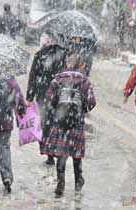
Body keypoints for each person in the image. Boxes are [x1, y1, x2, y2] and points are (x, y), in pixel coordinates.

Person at [41, 55, 96, 196]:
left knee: (62, 153)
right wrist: (82, 108)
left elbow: (48, 98)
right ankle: (78, 179)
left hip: (61, 123)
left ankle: (61, 182)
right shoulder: (85, 81)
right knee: (76, 154)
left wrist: (57, 108)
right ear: (80, 65)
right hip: (76, 122)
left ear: (66, 63)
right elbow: (91, 103)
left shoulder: (58, 79)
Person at [26, 31, 67, 166]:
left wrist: (29, 97)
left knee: (44, 124)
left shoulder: (40, 55)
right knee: (58, 123)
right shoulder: (63, 54)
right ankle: (57, 149)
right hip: (59, 95)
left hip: (43, 95)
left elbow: (33, 77)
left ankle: (48, 153)